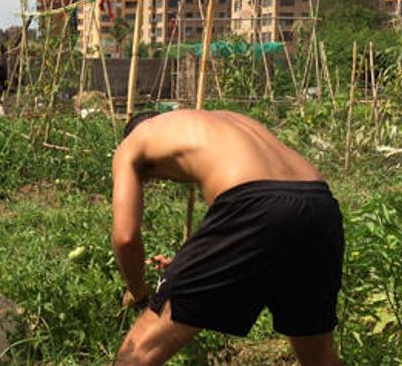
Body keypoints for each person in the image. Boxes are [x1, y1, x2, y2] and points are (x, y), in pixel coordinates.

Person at [111, 110, 343, 366]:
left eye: (151, 177)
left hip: (253, 204)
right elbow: (250, 227)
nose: (159, 179)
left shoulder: (133, 142)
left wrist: (138, 291)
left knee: (138, 352)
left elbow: (125, 237)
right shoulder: (220, 122)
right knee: (318, 357)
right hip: (320, 205)